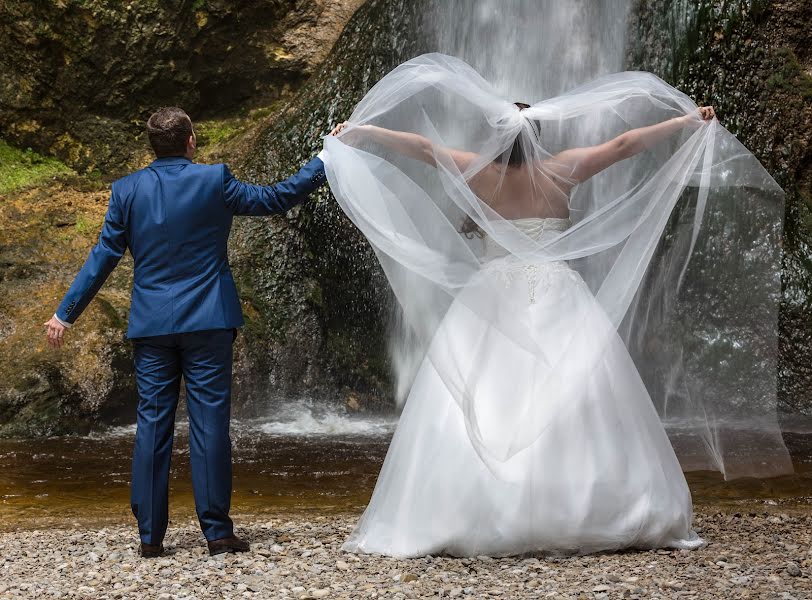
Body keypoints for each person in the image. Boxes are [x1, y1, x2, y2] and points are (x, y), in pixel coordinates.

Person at [322, 53, 790, 557]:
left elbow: (420, 146)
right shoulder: (563, 170)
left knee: (481, 393)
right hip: (557, 290)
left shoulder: (475, 174)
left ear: (497, 139)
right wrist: (684, 120)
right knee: (583, 394)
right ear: (537, 138)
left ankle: (466, 509)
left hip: (491, 293)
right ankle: (590, 506)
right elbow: (624, 145)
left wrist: (363, 132)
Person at [44, 107, 336, 558]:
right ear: (191, 141)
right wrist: (327, 158)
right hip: (209, 321)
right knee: (209, 425)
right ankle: (217, 533)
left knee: (152, 425)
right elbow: (277, 197)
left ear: (152, 146)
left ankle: (149, 538)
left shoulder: (126, 191)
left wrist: (65, 314)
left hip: (152, 325)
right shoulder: (214, 180)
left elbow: (104, 256)